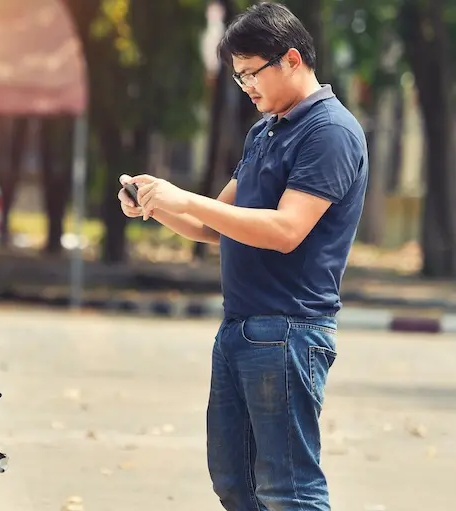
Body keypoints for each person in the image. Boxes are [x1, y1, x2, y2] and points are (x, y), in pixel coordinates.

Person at [118, 2, 368, 510]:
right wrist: (156, 204)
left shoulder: (330, 132)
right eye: (238, 78)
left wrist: (184, 197)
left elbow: (286, 230)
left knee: (288, 490)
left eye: (253, 73)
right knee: (236, 484)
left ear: (291, 59)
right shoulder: (266, 129)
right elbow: (216, 225)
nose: (248, 87)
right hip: (240, 328)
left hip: (290, 330)